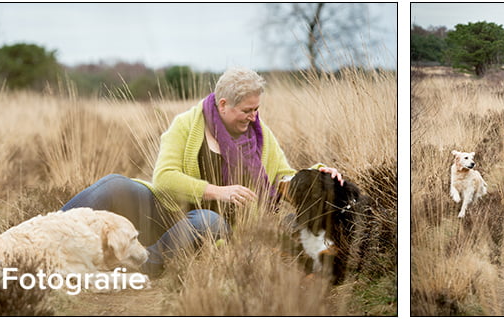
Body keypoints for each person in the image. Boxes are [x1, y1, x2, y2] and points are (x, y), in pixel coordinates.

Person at [61, 67, 344, 276]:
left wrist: (320, 173)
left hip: (214, 228)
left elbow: (284, 174)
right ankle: (46, 234)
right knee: (113, 184)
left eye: (257, 109)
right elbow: (164, 178)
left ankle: (139, 266)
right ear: (223, 104)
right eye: (247, 110)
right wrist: (217, 191)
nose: (254, 117)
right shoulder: (186, 125)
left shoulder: (260, 136)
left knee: (206, 219)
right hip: (166, 211)